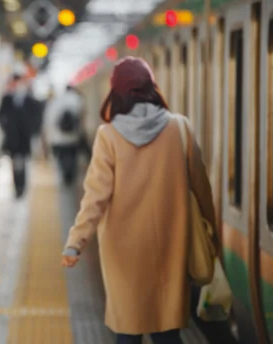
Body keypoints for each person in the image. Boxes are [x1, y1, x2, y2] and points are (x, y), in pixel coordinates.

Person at [61, 56, 220, 344]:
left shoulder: (108, 135)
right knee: (168, 332)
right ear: (151, 87)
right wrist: (212, 233)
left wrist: (76, 242)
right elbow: (202, 189)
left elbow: (95, 198)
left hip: (123, 253)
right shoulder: (180, 129)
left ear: (116, 92)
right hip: (171, 247)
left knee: (128, 331)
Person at [0, 74, 41, 198]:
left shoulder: (30, 100)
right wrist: (6, 128)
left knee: (23, 163)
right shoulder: (7, 99)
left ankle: (22, 187)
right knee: (15, 163)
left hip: (25, 139)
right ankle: (17, 187)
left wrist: (32, 131)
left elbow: (37, 118)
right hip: (12, 139)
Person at [43, 84, 86, 185]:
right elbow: (82, 118)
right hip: (73, 138)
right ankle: (71, 182)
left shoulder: (55, 101)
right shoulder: (77, 99)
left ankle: (64, 182)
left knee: (61, 165)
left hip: (57, 139)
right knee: (72, 163)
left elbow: (48, 122)